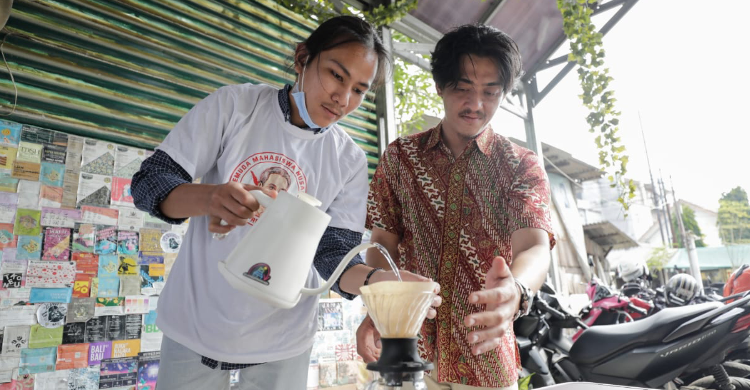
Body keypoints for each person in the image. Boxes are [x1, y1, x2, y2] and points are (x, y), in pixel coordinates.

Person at [131, 16, 438, 390]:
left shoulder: (348, 159)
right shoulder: (235, 107)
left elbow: (332, 253)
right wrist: (209, 198)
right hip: (195, 326)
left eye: (359, 89)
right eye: (336, 76)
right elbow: (152, 181)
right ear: (302, 58)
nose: (343, 99)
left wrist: (381, 283)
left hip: (283, 343)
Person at [357, 24, 556, 390]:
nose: (476, 105)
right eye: (463, 89)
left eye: (490, 93)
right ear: (440, 86)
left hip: (485, 357)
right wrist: (377, 305)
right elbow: (382, 244)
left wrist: (517, 291)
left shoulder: (520, 164)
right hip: (407, 349)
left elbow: (533, 246)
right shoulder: (401, 157)